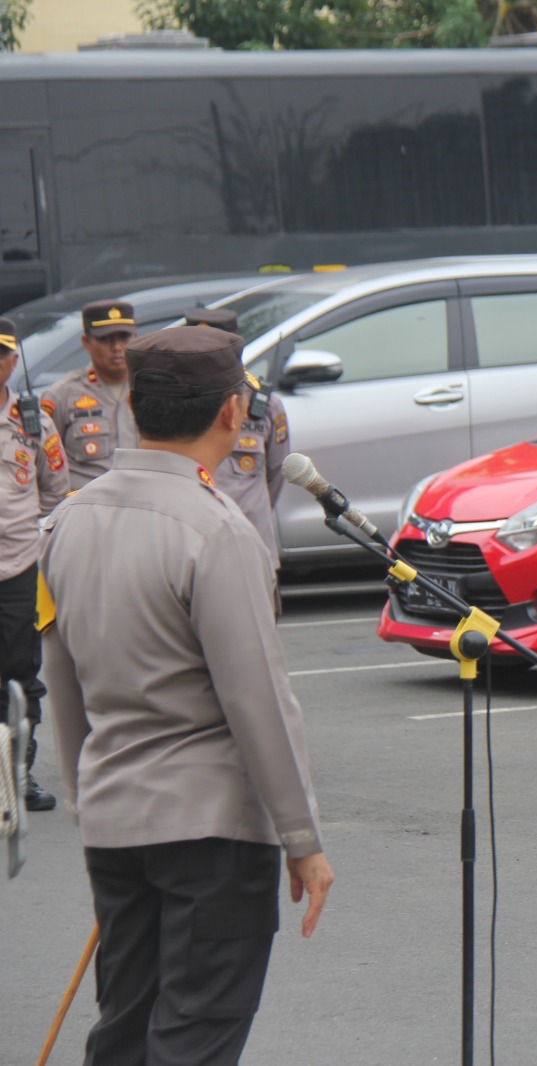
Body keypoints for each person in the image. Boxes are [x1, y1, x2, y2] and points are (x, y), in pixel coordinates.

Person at [41, 324, 333, 1062]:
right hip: (211, 829)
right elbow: (257, 700)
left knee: (127, 1029)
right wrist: (303, 840)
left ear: (131, 406)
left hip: (114, 819)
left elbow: (64, 678)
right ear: (234, 413)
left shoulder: (68, 520)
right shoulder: (216, 530)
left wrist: (86, 796)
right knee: (193, 1037)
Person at [0, 317, 68, 811]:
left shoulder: (33, 422)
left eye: (2, 354)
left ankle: (17, 774)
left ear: (11, 361)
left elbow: (54, 492)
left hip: (18, 565)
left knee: (21, 674)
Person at [183, 307, 290, 566]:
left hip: (251, 547)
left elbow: (275, 475)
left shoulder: (263, 405)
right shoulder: (174, 400)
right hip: (190, 547)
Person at [41, 300, 142, 490]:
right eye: (106, 339)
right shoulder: (62, 395)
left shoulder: (152, 389)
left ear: (136, 337)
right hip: (87, 510)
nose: (117, 347)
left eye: (124, 337)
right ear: (86, 343)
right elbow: (43, 462)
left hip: (140, 506)